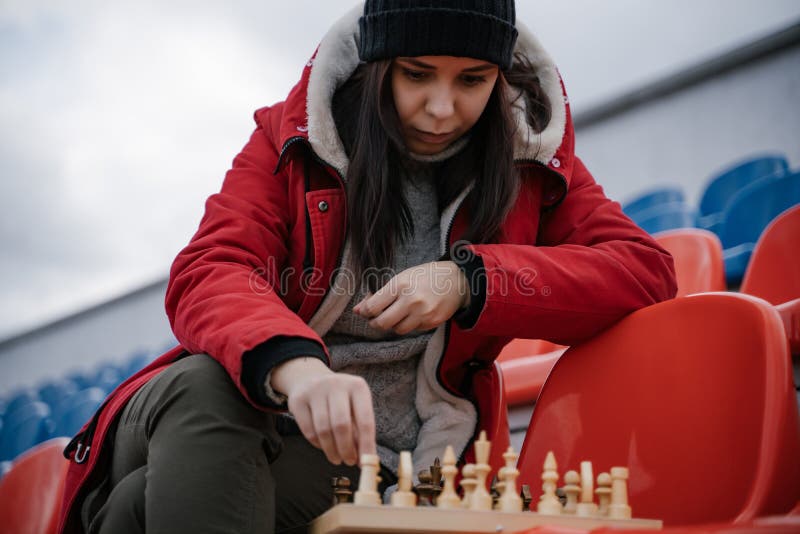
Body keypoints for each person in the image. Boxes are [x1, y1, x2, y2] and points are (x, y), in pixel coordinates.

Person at [58, 1, 677, 533]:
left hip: (370, 457)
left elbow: (645, 270)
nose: (441, 107)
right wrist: (299, 371)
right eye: (416, 75)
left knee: (143, 506)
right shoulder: (292, 137)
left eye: (473, 80)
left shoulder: (529, 155)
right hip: (237, 404)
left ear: (501, 75)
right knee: (204, 387)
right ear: (378, 64)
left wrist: (471, 278)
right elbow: (212, 266)